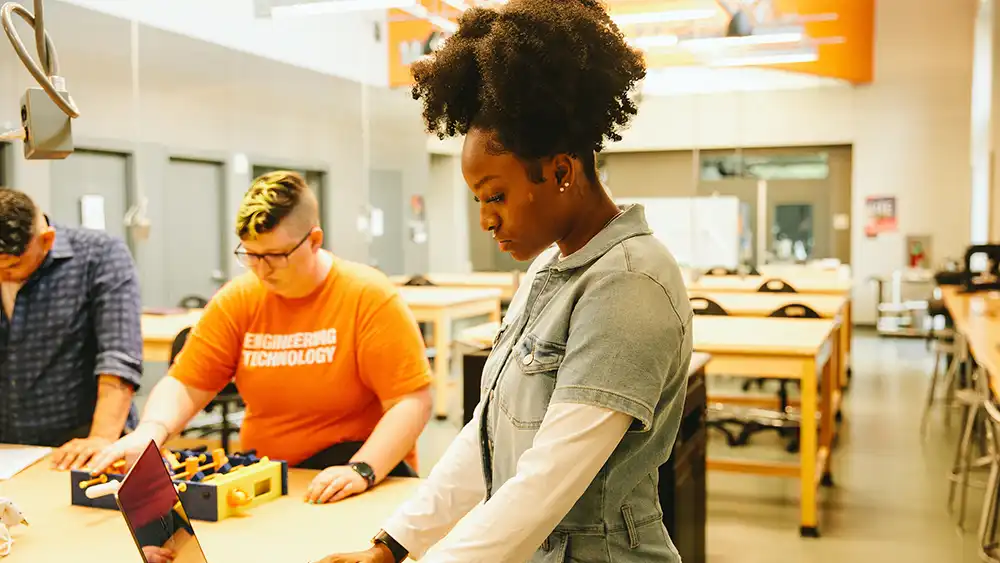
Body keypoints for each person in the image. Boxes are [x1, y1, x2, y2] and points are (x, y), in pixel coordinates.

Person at [318, 1, 692, 562]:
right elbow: (487, 437)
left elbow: (546, 484)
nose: (486, 219)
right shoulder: (548, 270)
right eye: (477, 199)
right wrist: (393, 545)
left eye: (496, 195)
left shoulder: (629, 284)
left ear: (562, 172)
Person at [89, 171, 434, 505]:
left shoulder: (368, 296)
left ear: (314, 241)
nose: (262, 269)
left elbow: (410, 402)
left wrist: (362, 468)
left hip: (357, 472)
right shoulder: (239, 298)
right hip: (272, 477)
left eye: (276, 256)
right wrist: (151, 430)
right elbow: (187, 383)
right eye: (251, 255)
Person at [0, 187, 143, 471]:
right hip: (8, 450)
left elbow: (118, 355)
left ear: (46, 240)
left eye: (12, 266)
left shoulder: (100, 256)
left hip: (77, 445)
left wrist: (101, 438)